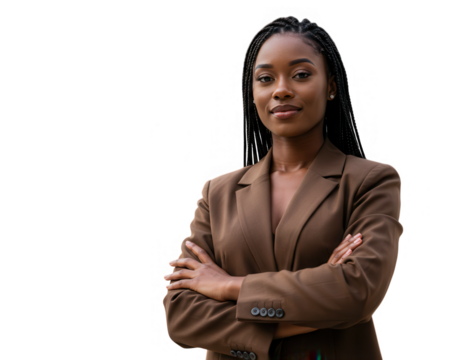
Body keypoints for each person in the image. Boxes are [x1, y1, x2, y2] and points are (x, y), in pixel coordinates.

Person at [161, 15, 403, 360]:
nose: (281, 89)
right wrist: (314, 302)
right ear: (252, 92)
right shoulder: (218, 192)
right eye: (265, 78)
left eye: (301, 74)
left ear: (331, 85)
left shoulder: (370, 181)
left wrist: (228, 286)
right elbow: (181, 316)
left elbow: (357, 292)